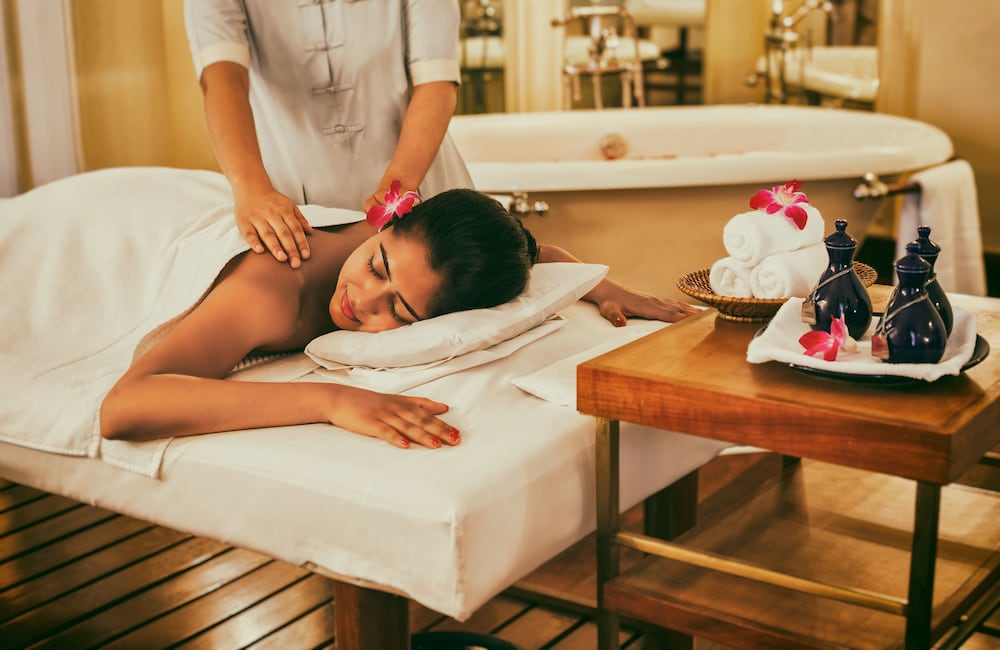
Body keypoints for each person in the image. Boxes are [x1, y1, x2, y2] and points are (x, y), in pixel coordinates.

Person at [99, 188, 698, 450]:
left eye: (401, 311)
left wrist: (603, 286)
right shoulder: (268, 296)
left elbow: (534, 251)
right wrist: (330, 400)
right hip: (117, 234)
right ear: (386, 224)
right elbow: (125, 407)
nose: (363, 301)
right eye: (376, 265)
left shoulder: (428, 262)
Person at [184, 0, 474, 269]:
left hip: (417, 182)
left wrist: (399, 183)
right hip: (291, 206)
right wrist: (251, 189)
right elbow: (222, 78)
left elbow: (436, 81)